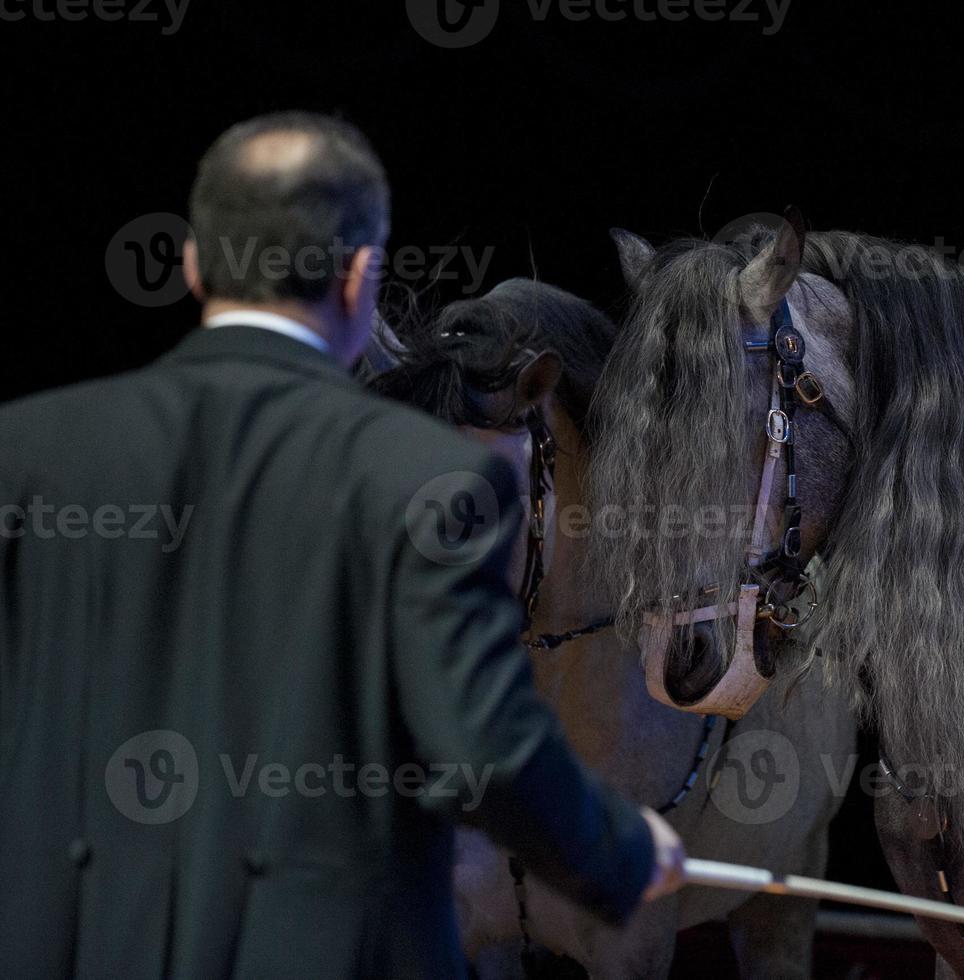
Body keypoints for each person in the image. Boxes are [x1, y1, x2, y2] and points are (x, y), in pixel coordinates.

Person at [0, 111, 683, 980]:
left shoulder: (21, 454)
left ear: (194, 266)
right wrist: (621, 848)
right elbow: (487, 746)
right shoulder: (433, 479)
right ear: (361, 278)